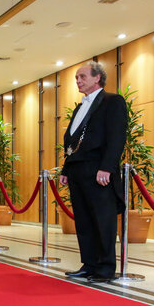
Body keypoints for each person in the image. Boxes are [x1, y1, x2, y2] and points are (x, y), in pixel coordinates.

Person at [59, 61, 127, 283]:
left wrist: (106, 167)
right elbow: (73, 142)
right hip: (78, 169)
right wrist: (66, 168)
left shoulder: (112, 101)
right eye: (76, 78)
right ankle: (88, 264)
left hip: (98, 169)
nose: (78, 81)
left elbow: (116, 137)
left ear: (97, 78)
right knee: (84, 220)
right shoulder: (80, 107)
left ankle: (105, 268)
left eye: (82, 76)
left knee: (102, 220)